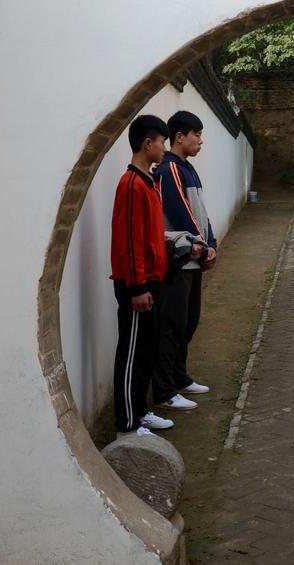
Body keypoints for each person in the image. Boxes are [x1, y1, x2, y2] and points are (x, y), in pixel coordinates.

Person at [109, 115, 176, 437]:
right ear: (148, 144)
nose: (164, 148)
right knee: (132, 354)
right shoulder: (132, 184)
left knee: (146, 353)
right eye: (162, 142)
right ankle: (126, 424)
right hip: (137, 284)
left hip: (151, 280)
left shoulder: (147, 182)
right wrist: (137, 287)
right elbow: (129, 239)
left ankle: (140, 411)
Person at [152, 111, 217, 411]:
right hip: (179, 261)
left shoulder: (188, 169)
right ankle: (164, 390)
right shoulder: (170, 170)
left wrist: (210, 243)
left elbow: (201, 212)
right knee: (172, 325)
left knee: (188, 321)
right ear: (179, 137)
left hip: (195, 258)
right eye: (197, 135)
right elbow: (181, 213)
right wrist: (203, 246)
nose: (200, 141)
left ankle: (179, 377)